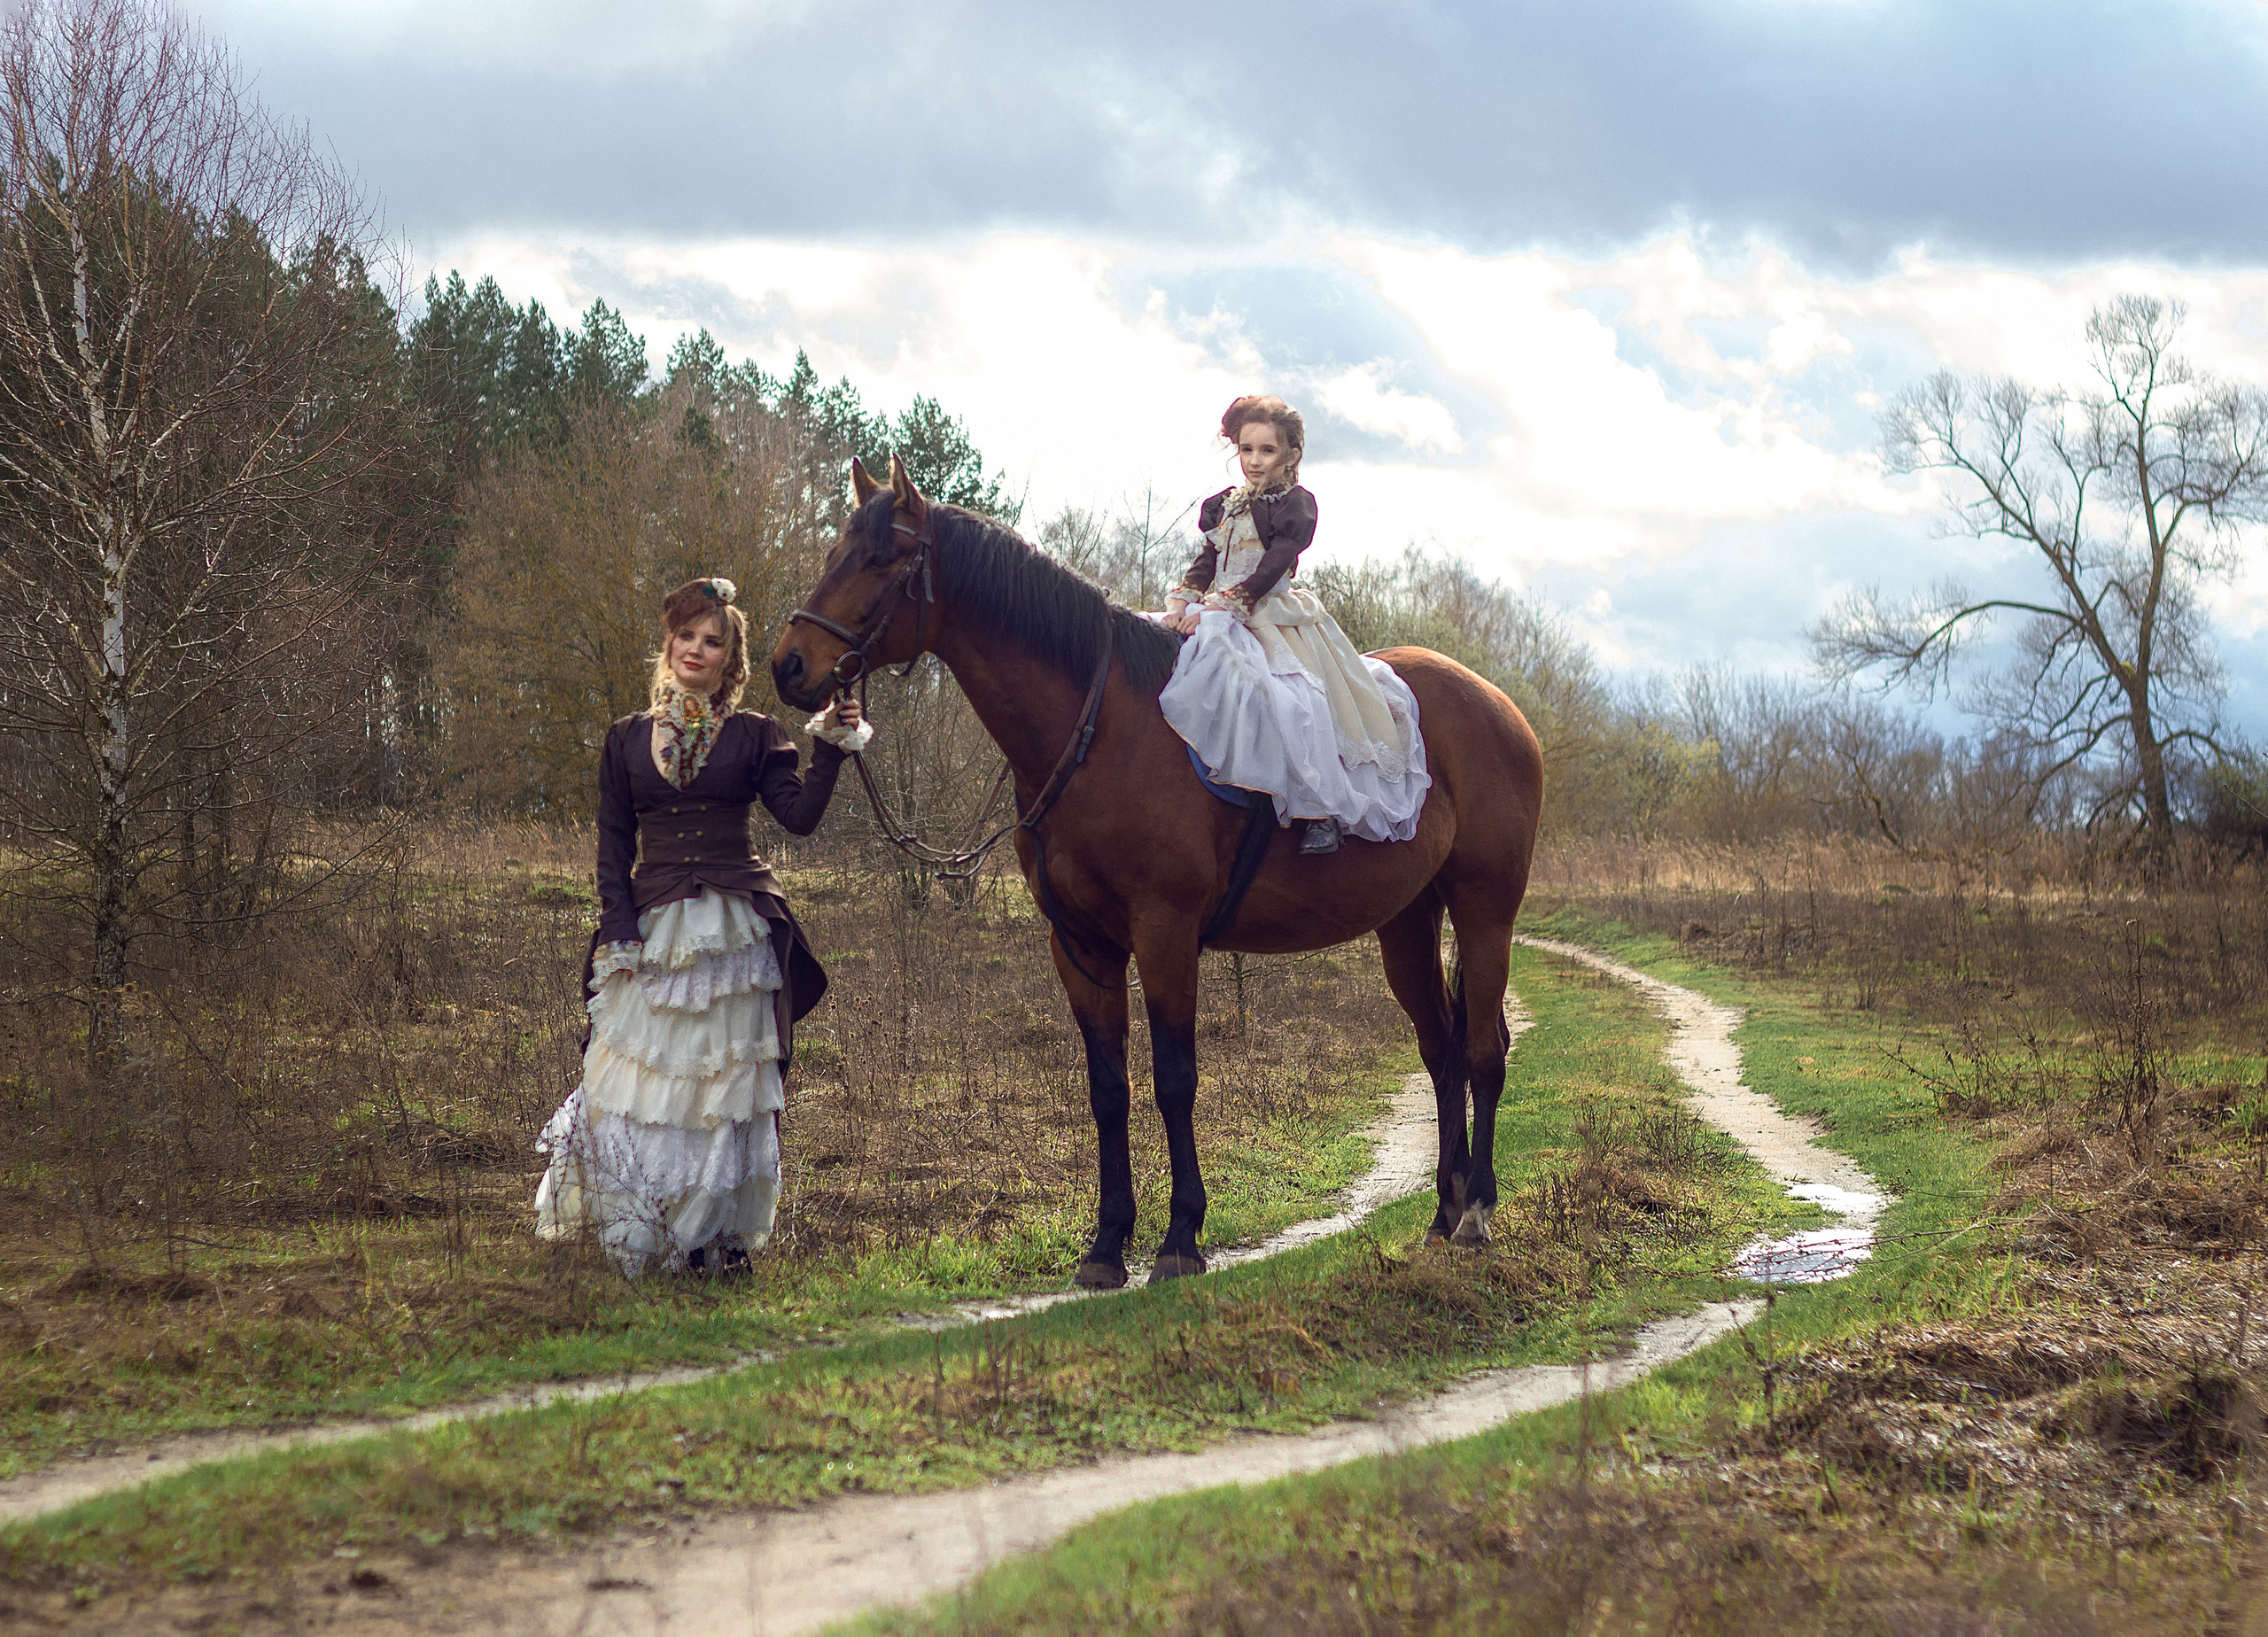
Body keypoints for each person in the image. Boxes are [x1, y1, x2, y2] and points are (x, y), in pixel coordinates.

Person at [534, 577, 873, 1276]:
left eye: (711, 640)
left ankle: (716, 1239)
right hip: (652, 928)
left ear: (731, 659)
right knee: (648, 1087)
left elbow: (800, 817)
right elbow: (612, 846)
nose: (696, 649)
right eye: (685, 636)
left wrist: (834, 744)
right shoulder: (625, 740)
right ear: (668, 646)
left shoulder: (754, 737)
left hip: (733, 936)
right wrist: (618, 930)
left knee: (723, 1092)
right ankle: (649, 1223)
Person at [1159, 395, 1429, 853]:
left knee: (1297, 700)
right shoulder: (1225, 506)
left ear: (1290, 455)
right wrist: (1183, 602)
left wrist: (1228, 604)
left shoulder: (1295, 506)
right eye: (1246, 450)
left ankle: (1320, 809)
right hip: (1219, 607)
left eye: (1266, 450)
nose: (1254, 461)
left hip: (1271, 612)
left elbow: (1272, 567)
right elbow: (1208, 559)